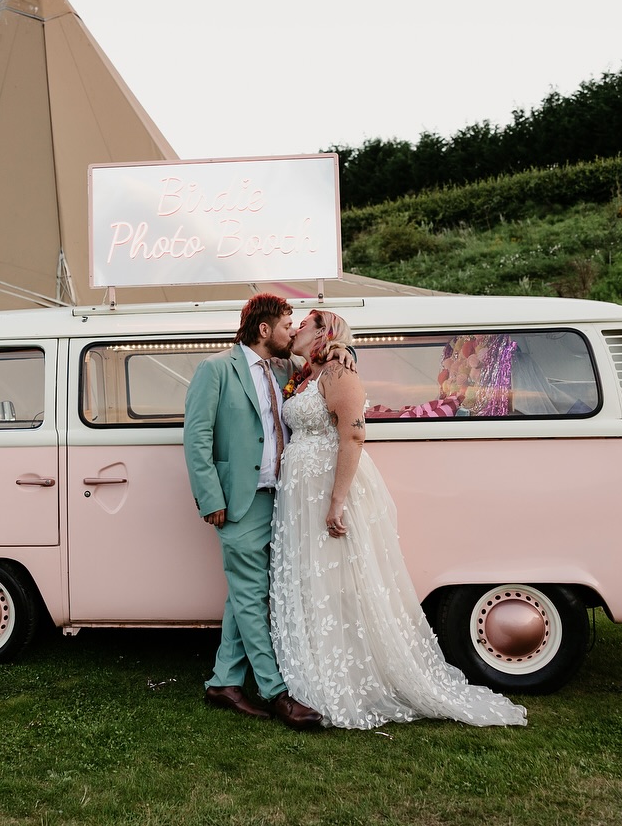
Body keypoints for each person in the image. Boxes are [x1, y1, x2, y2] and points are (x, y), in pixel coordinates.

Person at [269, 309, 528, 728]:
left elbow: (353, 434)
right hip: (302, 492)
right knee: (314, 579)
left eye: (307, 323)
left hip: (329, 488)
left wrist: (337, 501)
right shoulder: (308, 372)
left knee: (344, 579)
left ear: (325, 333)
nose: (297, 327)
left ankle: (355, 680)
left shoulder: (338, 373)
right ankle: (318, 672)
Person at [183, 293, 327, 730]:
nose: (292, 332)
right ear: (264, 330)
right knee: (251, 596)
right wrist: (212, 499)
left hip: (280, 498)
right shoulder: (216, 369)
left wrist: (338, 348)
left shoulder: (285, 369)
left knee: (245, 595)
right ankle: (275, 692)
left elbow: (328, 364)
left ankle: (224, 681)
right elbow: (196, 438)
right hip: (238, 502)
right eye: (287, 326)